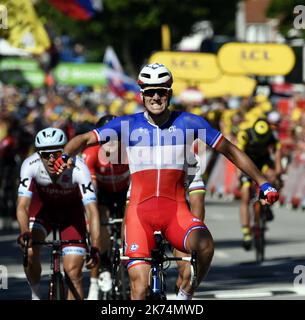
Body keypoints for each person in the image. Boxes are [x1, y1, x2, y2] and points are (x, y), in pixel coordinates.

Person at [54, 63, 279, 300]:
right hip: (140, 215)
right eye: (150, 91)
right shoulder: (126, 124)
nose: (155, 97)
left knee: (205, 247)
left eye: (161, 91)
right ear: (142, 95)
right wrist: (66, 155)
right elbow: (84, 139)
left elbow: (230, 151)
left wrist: (263, 182)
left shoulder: (190, 123)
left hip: (175, 212)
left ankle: (183, 296)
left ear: (169, 93)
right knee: (139, 287)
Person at [16, 127, 101, 300]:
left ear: (64, 151)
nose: (51, 159)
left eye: (56, 153)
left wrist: (96, 245)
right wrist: (25, 232)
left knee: (73, 272)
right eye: (46, 155)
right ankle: (35, 294)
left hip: (71, 215)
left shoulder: (79, 168)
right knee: (30, 251)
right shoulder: (30, 165)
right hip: (43, 211)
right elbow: (22, 205)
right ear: (39, 154)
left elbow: (92, 211)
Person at [82, 115, 130, 300]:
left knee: (131, 218)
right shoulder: (91, 153)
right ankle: (104, 263)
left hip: (124, 191)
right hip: (103, 193)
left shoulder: (130, 150)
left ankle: (129, 256)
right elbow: (90, 189)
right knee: (100, 218)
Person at [236, 117, 283, 250]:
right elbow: (237, 155)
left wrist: (278, 171)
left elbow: (278, 152)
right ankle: (246, 232)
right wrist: (238, 176)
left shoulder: (272, 134)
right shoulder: (244, 135)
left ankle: (267, 206)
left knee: (273, 176)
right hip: (247, 163)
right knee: (245, 194)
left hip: (263, 161)